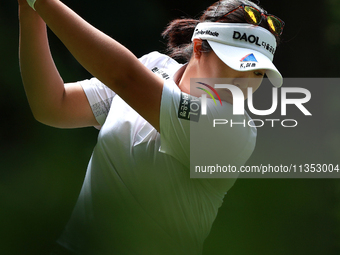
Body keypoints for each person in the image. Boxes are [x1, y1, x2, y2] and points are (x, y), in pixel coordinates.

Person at [18, 0, 284, 254]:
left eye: (257, 73)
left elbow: (125, 78)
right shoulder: (153, 67)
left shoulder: (233, 128)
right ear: (200, 44)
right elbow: (53, 105)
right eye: (236, 64)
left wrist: (41, 2)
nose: (244, 83)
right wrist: (28, 12)